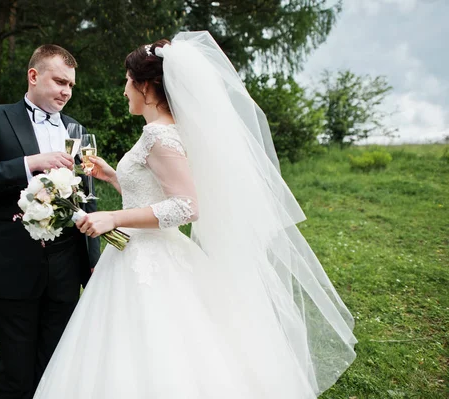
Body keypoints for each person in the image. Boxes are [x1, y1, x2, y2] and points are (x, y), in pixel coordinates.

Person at [33, 32, 357, 398]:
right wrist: (111, 176)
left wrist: (113, 218)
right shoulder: (161, 131)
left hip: (151, 259)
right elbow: (152, 194)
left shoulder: (159, 135)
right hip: (134, 254)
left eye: (127, 81)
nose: (124, 90)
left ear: (144, 86)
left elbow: (186, 206)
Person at [0, 44, 100, 399]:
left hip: (67, 266)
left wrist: (93, 261)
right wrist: (29, 163)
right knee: (16, 369)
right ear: (33, 76)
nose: (66, 91)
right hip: (13, 263)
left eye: (71, 85)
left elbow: (89, 198)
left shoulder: (77, 130)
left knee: (56, 365)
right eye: (59, 81)